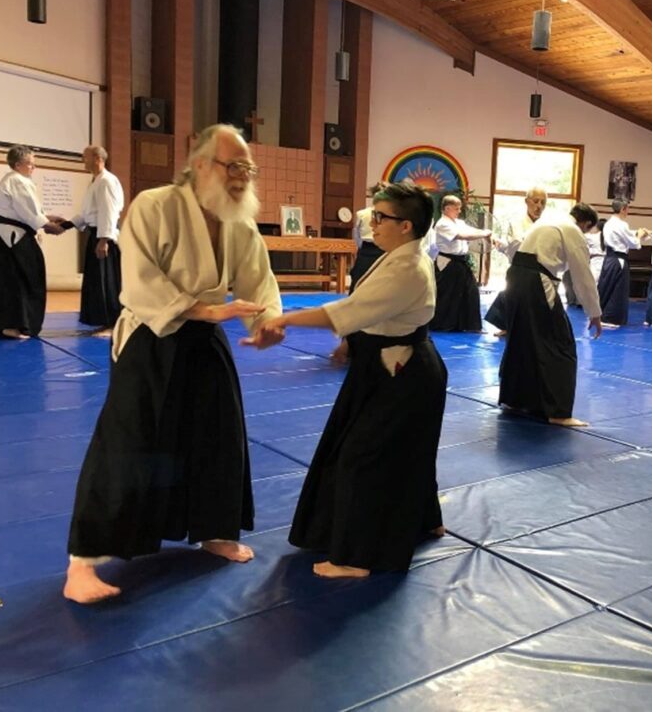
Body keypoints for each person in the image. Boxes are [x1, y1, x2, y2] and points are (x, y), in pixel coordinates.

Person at [63, 124, 283, 604]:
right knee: (128, 441)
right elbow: (139, 280)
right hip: (153, 335)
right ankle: (83, 561)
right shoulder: (154, 205)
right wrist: (203, 309)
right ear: (200, 164)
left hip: (206, 339)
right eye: (234, 165)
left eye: (249, 167)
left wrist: (267, 323)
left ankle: (215, 529)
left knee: (219, 434)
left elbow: (257, 282)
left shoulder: (237, 222)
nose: (243, 176)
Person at [248, 182, 446, 579]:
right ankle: (425, 519)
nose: (372, 222)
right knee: (406, 448)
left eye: (381, 217)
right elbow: (363, 313)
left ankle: (357, 557)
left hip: (402, 369)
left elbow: (348, 310)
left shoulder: (407, 267)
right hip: (388, 363)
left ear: (405, 225)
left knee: (362, 454)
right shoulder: (398, 255)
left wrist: (283, 318)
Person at [499, 203, 603, 427]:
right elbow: (582, 274)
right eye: (587, 230)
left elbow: (515, 247)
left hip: (515, 278)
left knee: (521, 339)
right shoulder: (573, 230)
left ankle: (515, 399)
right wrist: (594, 312)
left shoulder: (547, 219)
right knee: (560, 344)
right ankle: (558, 412)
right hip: (536, 282)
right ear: (585, 223)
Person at [0, 145, 65, 339]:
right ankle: (13, 325)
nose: (33, 167)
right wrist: (49, 225)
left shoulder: (15, 180)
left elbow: (27, 211)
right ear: (18, 164)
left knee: (9, 279)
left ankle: (8, 325)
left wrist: (47, 217)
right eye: (30, 163)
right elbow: (29, 213)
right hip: (10, 236)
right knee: (18, 280)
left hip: (5, 235)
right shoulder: (18, 181)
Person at [56, 145, 125, 336]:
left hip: (105, 236)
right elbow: (87, 214)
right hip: (96, 233)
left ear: (97, 158)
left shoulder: (107, 181)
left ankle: (113, 324)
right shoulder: (95, 181)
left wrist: (104, 240)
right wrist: (65, 226)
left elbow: (108, 212)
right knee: (97, 281)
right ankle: (104, 321)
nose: (82, 160)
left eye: (85, 157)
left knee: (107, 281)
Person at [485, 186, 546, 334]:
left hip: (541, 268)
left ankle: (534, 330)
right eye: (536, 201)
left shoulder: (547, 223)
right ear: (527, 201)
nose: (539, 206)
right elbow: (516, 245)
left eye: (543, 203)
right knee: (511, 297)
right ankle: (507, 327)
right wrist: (501, 246)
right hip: (519, 266)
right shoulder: (516, 222)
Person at [430, 194, 491, 332]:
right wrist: (484, 234)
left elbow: (470, 230)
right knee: (447, 295)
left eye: (459, 208)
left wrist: (485, 233)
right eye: (456, 208)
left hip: (461, 261)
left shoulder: (459, 223)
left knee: (471, 291)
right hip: (447, 262)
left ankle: (471, 325)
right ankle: (442, 324)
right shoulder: (442, 224)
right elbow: (462, 236)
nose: (459, 211)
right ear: (446, 209)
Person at [596, 200, 647, 326]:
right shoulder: (621, 224)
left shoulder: (608, 223)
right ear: (623, 209)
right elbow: (633, 243)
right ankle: (610, 318)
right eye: (627, 208)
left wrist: (636, 236)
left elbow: (626, 238)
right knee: (617, 289)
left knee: (606, 285)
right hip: (618, 259)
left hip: (609, 258)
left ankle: (601, 315)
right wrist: (639, 236)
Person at [349, 205, 383, 294]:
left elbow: (356, 233)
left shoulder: (362, 213)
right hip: (374, 247)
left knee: (359, 277)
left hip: (367, 248)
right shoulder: (362, 213)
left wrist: (360, 246)